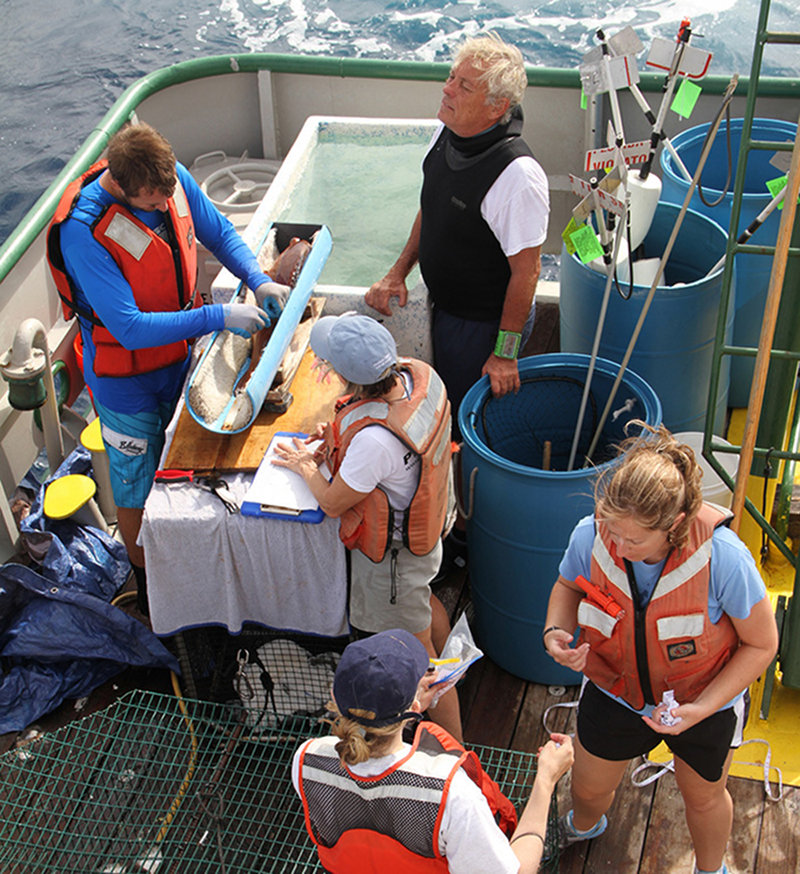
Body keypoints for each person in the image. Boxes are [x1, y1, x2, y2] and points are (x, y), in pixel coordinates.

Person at [47, 122, 291, 613]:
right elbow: (130, 327)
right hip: (124, 383)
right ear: (119, 185)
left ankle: (191, 568)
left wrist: (258, 279)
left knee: (181, 468)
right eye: (153, 202)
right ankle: (152, 589)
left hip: (176, 363)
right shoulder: (84, 233)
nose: (164, 206)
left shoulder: (171, 179)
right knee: (136, 486)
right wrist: (219, 315)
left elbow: (218, 232)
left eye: (167, 197)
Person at [542, 423, 778, 874]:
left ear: (673, 526)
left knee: (705, 798)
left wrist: (704, 707)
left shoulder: (725, 558)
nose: (619, 546)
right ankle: (584, 825)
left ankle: (711, 869)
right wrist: (554, 631)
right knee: (588, 788)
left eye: (634, 540)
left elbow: (762, 645)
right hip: (616, 691)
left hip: (702, 702)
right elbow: (567, 586)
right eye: (613, 531)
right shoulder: (590, 535)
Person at [272, 312, 463, 738]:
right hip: (427, 538)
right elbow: (375, 436)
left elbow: (333, 501)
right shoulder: (419, 380)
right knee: (423, 600)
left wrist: (306, 465)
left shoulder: (374, 442)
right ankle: (453, 658)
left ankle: (460, 753)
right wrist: (336, 436)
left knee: (424, 661)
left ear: (345, 375)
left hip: (394, 564)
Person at [365, 32, 549, 435]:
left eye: (463, 86)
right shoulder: (447, 131)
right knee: (444, 400)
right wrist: (398, 272)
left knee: (467, 419)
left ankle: (467, 481)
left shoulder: (517, 176)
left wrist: (504, 354)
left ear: (496, 105)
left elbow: (528, 271)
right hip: (446, 309)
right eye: (451, 77)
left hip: (482, 323)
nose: (447, 89)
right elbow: (431, 208)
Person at [293, 628, 574, 874]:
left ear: (335, 696)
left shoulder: (306, 759)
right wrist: (546, 779)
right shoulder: (451, 793)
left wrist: (409, 705)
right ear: (414, 709)